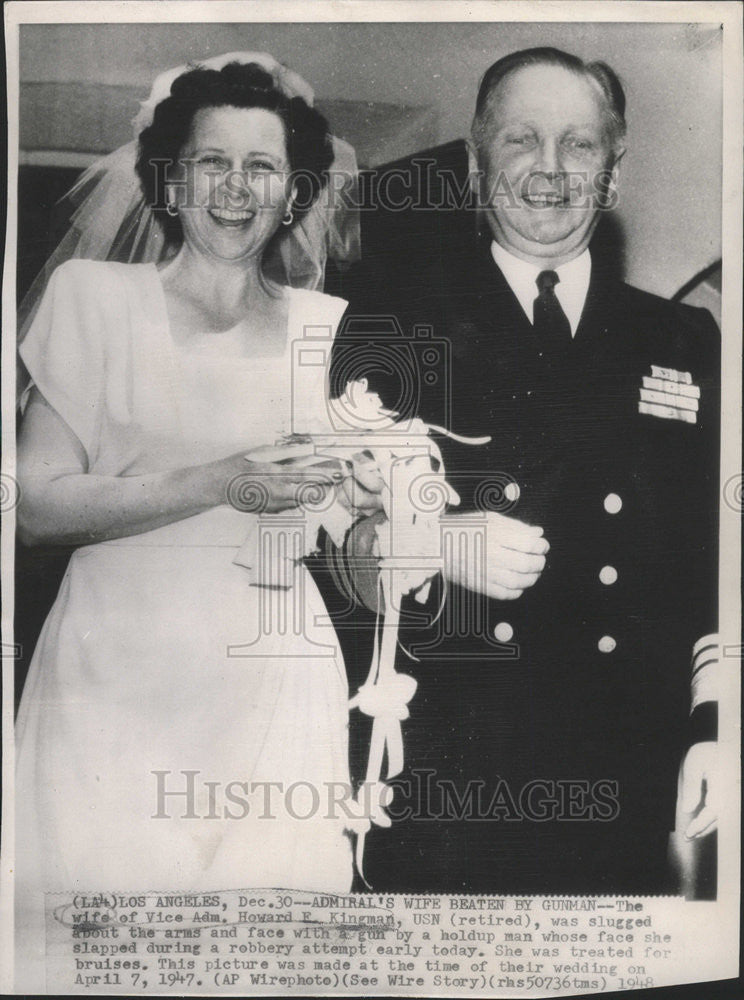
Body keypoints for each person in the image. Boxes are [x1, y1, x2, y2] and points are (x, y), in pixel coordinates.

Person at [330, 47, 720, 895]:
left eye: (580, 146)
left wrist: (714, 726)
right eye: (521, 141)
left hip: (625, 763)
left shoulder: (682, 340)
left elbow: (708, 556)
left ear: (612, 172)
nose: (550, 170)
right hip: (450, 766)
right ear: (476, 165)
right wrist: (426, 546)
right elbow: (327, 553)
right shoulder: (391, 321)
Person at [14, 54, 364, 989]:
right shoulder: (93, 301)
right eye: (214, 162)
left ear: (294, 191)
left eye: (263, 167)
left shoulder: (327, 329)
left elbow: (340, 526)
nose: (237, 189)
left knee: (263, 961)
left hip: (272, 687)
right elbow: (34, 506)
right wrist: (221, 481)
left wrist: (389, 520)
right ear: (171, 177)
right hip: (111, 685)